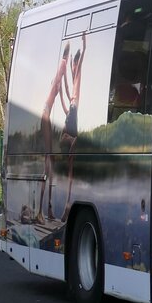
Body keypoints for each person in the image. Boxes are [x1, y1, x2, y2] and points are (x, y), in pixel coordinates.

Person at [37, 42, 71, 222]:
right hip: (46, 114)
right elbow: (64, 86)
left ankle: (46, 209)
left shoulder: (61, 67)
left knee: (49, 163)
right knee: (48, 162)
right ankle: (41, 211)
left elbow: (62, 87)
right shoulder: (63, 65)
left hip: (47, 113)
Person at [60, 32, 87, 214]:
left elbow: (79, 63)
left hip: (73, 124)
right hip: (70, 123)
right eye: (73, 65)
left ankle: (68, 203)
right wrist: (61, 91)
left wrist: (84, 46)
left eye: (75, 65)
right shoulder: (72, 94)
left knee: (71, 167)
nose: (74, 68)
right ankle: (67, 203)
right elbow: (68, 86)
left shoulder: (78, 77)